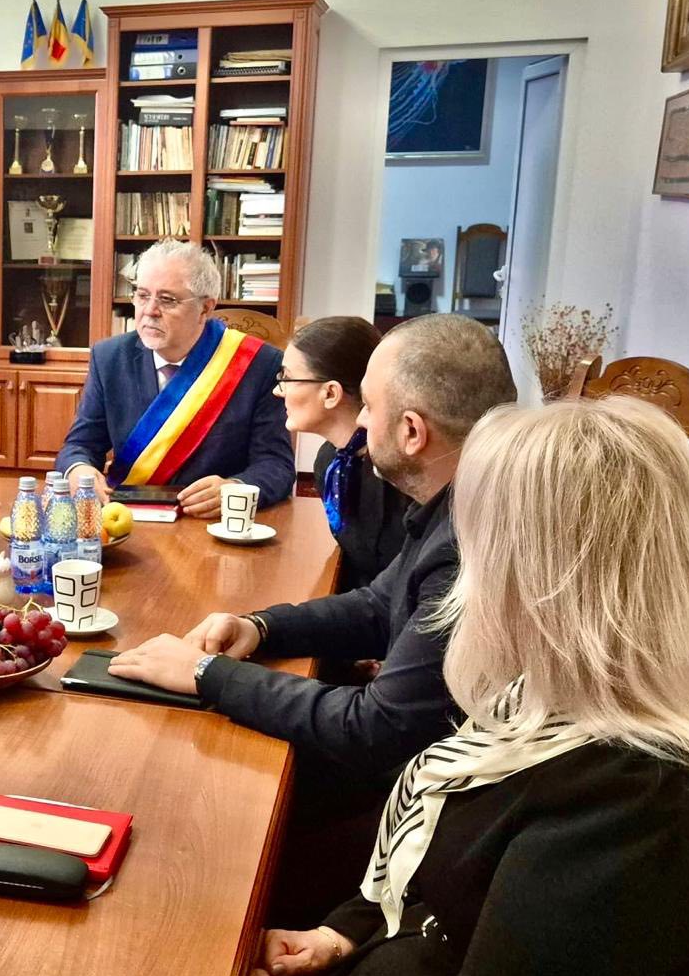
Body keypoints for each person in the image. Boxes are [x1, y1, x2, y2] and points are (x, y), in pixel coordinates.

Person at [232, 397, 689, 976]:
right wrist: (341, 935)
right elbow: (450, 858)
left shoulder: (645, 792)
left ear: (546, 577)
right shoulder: (552, 695)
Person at [109, 314, 517, 794]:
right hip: (417, 753)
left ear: (412, 431)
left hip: (426, 788)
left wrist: (205, 674)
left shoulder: (465, 545)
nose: (360, 420)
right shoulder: (460, 502)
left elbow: (372, 729)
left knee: (196, 776)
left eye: (370, 406)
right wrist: (260, 627)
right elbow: (377, 605)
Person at [55, 239, 294, 519]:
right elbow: (80, 445)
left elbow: (276, 465)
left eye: (167, 300)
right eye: (142, 295)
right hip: (128, 518)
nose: (150, 310)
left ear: (205, 309)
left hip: (211, 523)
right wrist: (78, 469)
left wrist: (236, 488)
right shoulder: (109, 358)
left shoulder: (258, 364)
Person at [280, 316, 412, 592]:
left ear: (330, 393)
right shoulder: (329, 461)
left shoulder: (400, 473)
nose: (278, 391)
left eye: (288, 378)